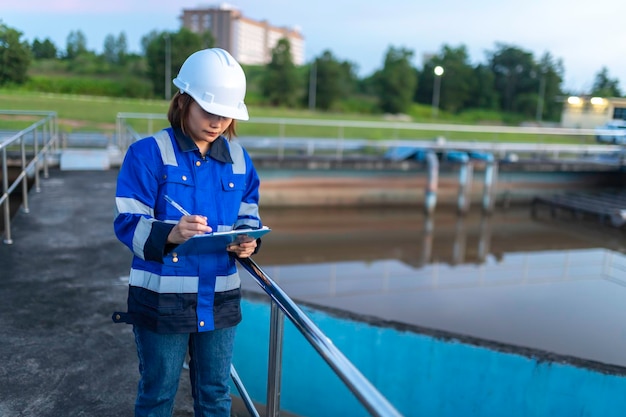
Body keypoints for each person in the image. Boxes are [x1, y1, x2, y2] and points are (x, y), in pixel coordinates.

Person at [112, 48, 262, 417]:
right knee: (158, 395)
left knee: (215, 395)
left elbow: (248, 215)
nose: (218, 122)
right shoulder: (147, 154)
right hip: (163, 302)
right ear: (183, 102)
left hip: (220, 300)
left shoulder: (240, 160)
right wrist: (171, 233)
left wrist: (248, 241)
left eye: (226, 115)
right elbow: (127, 223)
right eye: (209, 111)